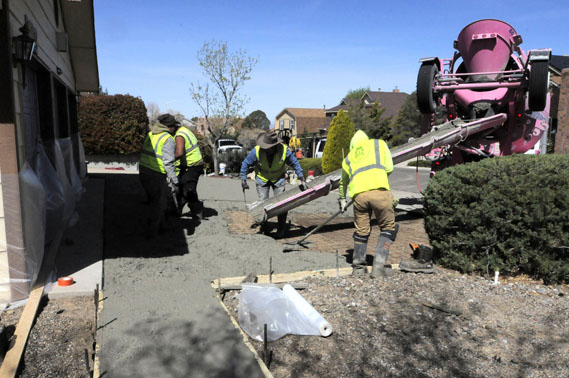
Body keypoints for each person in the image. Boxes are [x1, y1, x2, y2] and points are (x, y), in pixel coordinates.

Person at [338, 130, 398, 278]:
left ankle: (358, 268)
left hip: (359, 196)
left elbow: (343, 182)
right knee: (388, 229)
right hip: (380, 193)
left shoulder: (349, 157)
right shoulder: (379, 144)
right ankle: (378, 268)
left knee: (361, 231)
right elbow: (389, 168)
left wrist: (342, 199)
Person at [240, 131, 306, 238]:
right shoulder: (256, 151)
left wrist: (301, 177)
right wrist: (243, 180)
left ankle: (281, 228)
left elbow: (295, 163)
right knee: (264, 204)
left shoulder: (284, 150)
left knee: (282, 204)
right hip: (262, 179)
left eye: (268, 147)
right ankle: (265, 227)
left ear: (274, 146)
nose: (266, 149)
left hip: (278, 178)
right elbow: (245, 164)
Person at [139, 113, 179, 237]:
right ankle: (152, 232)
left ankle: (160, 226)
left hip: (144, 171)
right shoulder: (167, 139)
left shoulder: (151, 134)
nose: (175, 129)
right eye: (174, 126)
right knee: (159, 205)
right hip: (156, 175)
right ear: (169, 127)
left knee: (154, 201)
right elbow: (168, 163)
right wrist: (174, 180)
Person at [175, 123, 204, 219]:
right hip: (193, 164)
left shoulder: (179, 135)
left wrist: (167, 160)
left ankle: (197, 211)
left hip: (192, 165)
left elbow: (179, 152)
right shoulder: (185, 130)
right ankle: (178, 210)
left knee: (188, 190)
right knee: (183, 187)